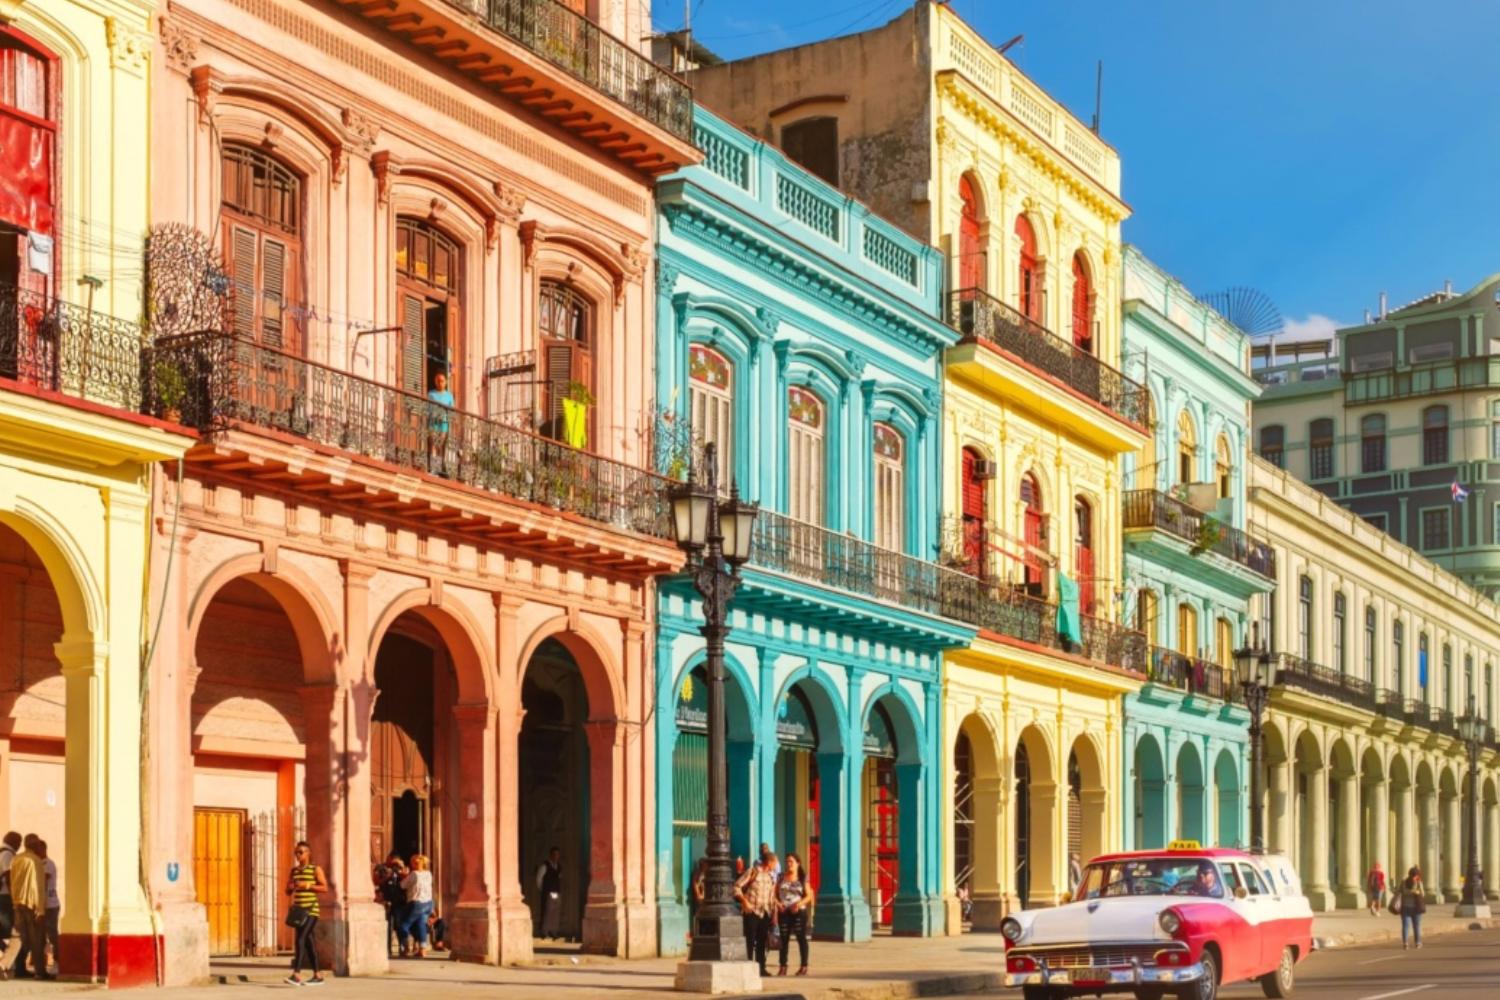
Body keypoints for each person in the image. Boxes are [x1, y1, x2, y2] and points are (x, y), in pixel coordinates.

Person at [285, 840, 328, 986]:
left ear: (308, 853)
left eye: (300, 852)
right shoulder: (294, 871)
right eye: (296, 852)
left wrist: (307, 885)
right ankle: (318, 975)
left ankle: (296, 974)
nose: (297, 855)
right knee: (309, 943)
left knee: (300, 939)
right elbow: (287, 891)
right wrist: (290, 887)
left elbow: (324, 888)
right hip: (299, 911)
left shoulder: (316, 869)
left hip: (311, 910)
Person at [9, 835, 47, 980]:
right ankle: (39, 972)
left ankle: (4, 964)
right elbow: (37, 886)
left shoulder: (16, 859)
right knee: (36, 939)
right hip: (31, 903)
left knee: (17, 936)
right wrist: (40, 909)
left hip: (18, 902)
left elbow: (12, 881)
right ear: (36, 845)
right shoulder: (35, 861)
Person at [734, 849, 777, 978]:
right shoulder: (752, 872)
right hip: (752, 911)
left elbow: (772, 896)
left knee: (762, 941)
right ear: (769, 862)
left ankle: (761, 968)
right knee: (749, 940)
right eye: (775, 862)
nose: (776, 865)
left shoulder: (771, 876)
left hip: (765, 912)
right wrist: (744, 902)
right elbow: (736, 887)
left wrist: (773, 914)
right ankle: (747, 967)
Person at [774, 852, 814, 977]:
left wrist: (799, 903)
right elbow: (774, 894)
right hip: (784, 912)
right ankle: (783, 966)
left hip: (798, 912)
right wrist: (778, 904)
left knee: (801, 938)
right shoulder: (780, 877)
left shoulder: (802, 877)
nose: (789, 864)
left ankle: (803, 966)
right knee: (783, 939)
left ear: (798, 863)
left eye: (791, 861)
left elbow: (809, 895)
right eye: (787, 862)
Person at [401, 854, 434, 958]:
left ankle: (406, 946)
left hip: (416, 904)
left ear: (414, 864)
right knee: (421, 925)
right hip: (428, 904)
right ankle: (422, 949)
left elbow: (402, 885)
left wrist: (404, 875)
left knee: (404, 925)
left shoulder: (414, 874)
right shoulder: (429, 874)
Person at [427, 371, 454, 475]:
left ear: (446, 382)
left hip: (443, 424)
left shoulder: (449, 396)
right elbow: (427, 408)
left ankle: (438, 469)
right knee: (433, 445)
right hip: (433, 423)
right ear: (435, 381)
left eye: (442, 381)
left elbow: (451, 411)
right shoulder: (431, 394)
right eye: (438, 381)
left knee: (440, 446)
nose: (440, 383)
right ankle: (434, 470)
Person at [0, 831, 19, 976]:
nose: (20, 845)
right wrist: (14, 897)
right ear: (14, 841)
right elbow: (8, 875)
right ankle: (4, 962)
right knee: (7, 928)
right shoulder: (7, 854)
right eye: (19, 842)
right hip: (5, 895)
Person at [1397, 866, 1426, 950]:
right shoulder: (1409, 882)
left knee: (1411, 926)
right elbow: (1422, 894)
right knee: (1411, 926)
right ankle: (1411, 943)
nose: (1416, 877)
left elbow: (1422, 894)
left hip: (1411, 908)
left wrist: (1413, 892)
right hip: (1411, 908)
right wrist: (1414, 892)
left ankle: (1412, 942)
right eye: (1416, 875)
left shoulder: (1413, 882)